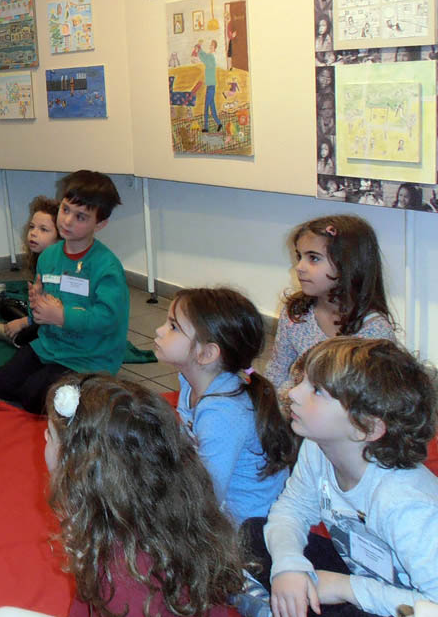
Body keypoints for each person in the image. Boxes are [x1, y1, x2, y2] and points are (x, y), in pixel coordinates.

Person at [243, 338, 438, 617]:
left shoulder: (407, 504)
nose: (293, 393)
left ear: (365, 427)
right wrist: (289, 566)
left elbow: (432, 606)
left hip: (402, 602)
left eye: (317, 390)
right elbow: (292, 509)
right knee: (254, 533)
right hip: (362, 574)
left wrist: (344, 587)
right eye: (302, 381)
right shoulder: (317, 447)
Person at [44, 374, 244, 617]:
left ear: (78, 465)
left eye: (50, 436)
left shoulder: (125, 572)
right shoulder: (159, 508)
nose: (44, 438)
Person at [0, 171, 129, 414]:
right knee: (1, 382)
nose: (67, 221)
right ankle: (64, 387)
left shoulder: (106, 266)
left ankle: (95, 386)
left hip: (89, 357)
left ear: (100, 224)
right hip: (51, 345)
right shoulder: (49, 256)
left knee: (33, 397)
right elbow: (42, 309)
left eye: (80, 217)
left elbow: (108, 319)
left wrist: (63, 316)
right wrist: (36, 306)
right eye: (65, 210)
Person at [153, 288, 297, 524]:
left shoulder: (222, 414)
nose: (160, 331)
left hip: (248, 525)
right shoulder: (192, 383)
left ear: (207, 353)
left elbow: (207, 497)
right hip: (223, 506)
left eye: (173, 327)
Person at [267, 216, 397, 393]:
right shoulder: (297, 312)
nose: (299, 267)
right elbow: (277, 372)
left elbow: (371, 400)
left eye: (313, 258)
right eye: (299, 256)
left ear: (348, 264)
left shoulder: (374, 332)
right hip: (290, 404)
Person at [0, 195, 60, 346]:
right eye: (32, 227)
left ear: (60, 238)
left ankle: (16, 338)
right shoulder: (42, 259)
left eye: (43, 229)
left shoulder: (60, 266)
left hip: (56, 320)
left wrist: (23, 322)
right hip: (41, 315)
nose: (33, 233)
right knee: (8, 305)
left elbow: (53, 312)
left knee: (42, 328)